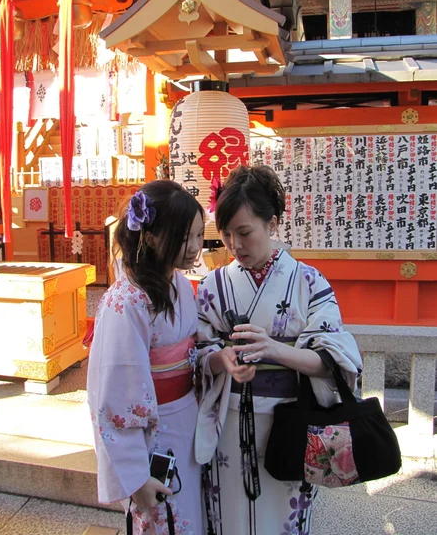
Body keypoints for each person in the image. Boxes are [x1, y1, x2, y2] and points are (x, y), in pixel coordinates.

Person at [195, 165, 362, 535]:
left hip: (290, 422)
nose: (235, 246)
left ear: (272, 224)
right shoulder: (212, 286)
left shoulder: (308, 282)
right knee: (229, 519)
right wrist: (221, 360)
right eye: (225, 235)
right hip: (228, 421)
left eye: (244, 232)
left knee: (282, 520)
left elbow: (333, 361)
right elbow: (199, 352)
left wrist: (273, 349)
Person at [87, 181, 205, 535]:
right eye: (186, 238)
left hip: (188, 423)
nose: (195, 248)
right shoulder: (125, 302)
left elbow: (193, 351)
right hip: (153, 437)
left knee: (192, 519)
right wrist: (137, 477)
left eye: (200, 236)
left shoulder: (180, 285)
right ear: (151, 236)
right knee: (165, 523)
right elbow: (116, 400)